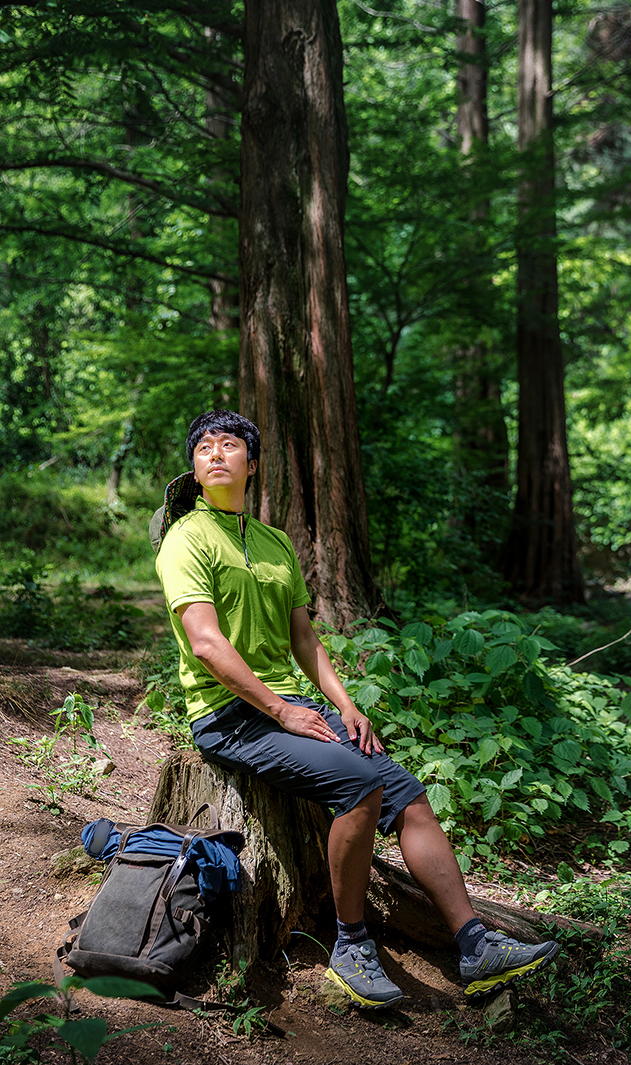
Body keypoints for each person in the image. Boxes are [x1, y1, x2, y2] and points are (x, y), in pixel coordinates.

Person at [153, 408, 558, 1010]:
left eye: (230, 444)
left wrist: (345, 705)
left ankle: (474, 944)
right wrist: (281, 712)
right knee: (364, 786)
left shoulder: (274, 542)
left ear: (252, 465)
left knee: (408, 794)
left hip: (289, 703)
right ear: (193, 465)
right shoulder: (186, 537)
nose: (215, 453)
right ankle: (350, 945)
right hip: (230, 715)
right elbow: (208, 645)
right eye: (203, 446)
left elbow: (304, 640)